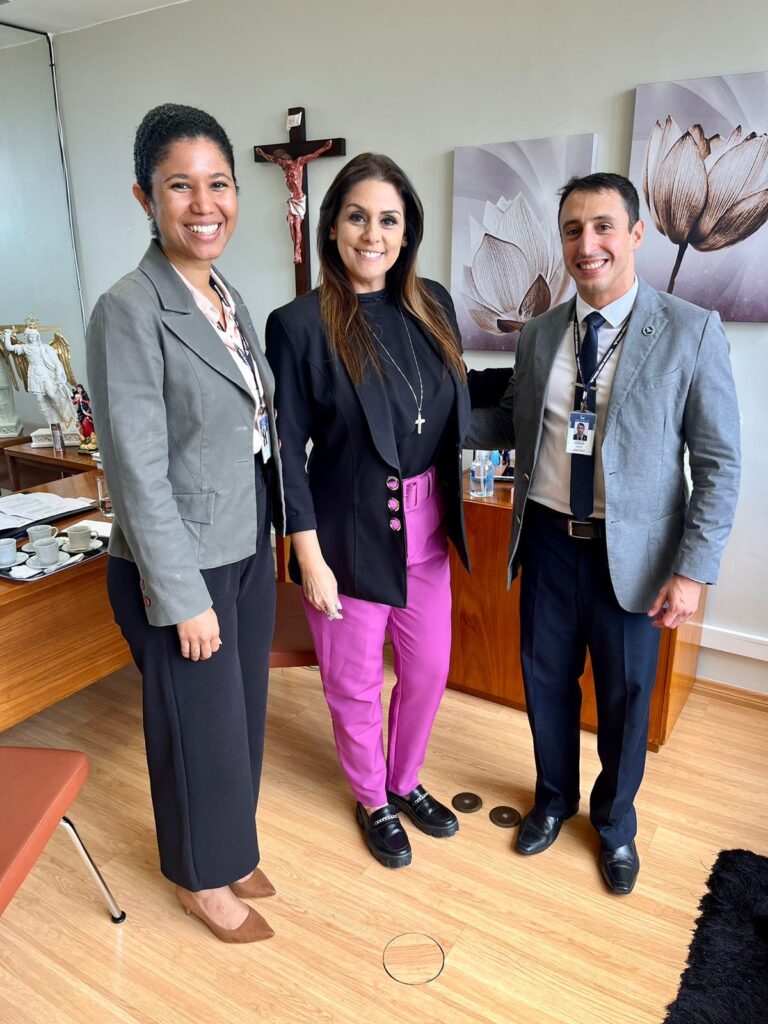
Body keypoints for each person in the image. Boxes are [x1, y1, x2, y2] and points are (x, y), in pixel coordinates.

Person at [466, 172, 740, 895]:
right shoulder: (539, 336)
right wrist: (428, 409)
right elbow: (511, 428)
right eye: (572, 231)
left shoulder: (690, 330)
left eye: (602, 227)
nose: (587, 245)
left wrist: (693, 569)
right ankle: (553, 799)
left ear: (636, 234)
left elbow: (717, 462)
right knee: (546, 683)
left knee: (624, 699)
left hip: (636, 557)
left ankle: (615, 824)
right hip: (551, 542)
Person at [86, 103, 284, 942]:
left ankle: (230, 846)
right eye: (180, 187)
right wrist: (181, 596)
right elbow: (135, 468)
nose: (205, 205)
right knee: (194, 729)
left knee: (239, 719)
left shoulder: (222, 295)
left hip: (241, 545)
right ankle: (200, 879)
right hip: (180, 565)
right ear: (145, 197)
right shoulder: (129, 309)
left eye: (219, 184)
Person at [266, 153, 470, 869]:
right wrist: (307, 556)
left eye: (388, 218)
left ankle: (405, 779)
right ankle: (372, 798)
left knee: (427, 672)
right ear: (332, 227)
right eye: (358, 216)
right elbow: (285, 448)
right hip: (347, 539)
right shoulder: (298, 325)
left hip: (429, 535)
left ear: (407, 228)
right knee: (352, 685)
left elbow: (445, 416)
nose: (373, 233)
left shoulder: (433, 304)